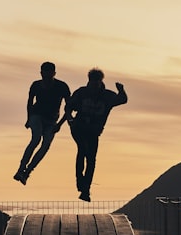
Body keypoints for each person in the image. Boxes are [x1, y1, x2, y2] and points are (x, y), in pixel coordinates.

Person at [62, 68, 127, 201]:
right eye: (93, 82)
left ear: (101, 82)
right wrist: (69, 119)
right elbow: (68, 106)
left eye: (97, 82)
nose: (95, 85)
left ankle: (85, 189)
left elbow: (122, 100)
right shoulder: (81, 93)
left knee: (91, 159)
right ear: (89, 81)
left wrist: (121, 90)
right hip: (79, 128)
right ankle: (81, 184)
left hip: (94, 131)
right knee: (82, 150)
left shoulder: (107, 96)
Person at [14, 61, 71, 185]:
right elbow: (29, 102)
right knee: (36, 139)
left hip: (52, 120)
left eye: (49, 75)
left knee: (45, 145)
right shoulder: (36, 85)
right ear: (41, 73)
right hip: (37, 115)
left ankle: (27, 172)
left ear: (54, 74)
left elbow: (69, 107)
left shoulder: (62, 86)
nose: (46, 78)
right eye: (44, 75)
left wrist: (59, 125)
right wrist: (28, 119)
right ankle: (20, 169)